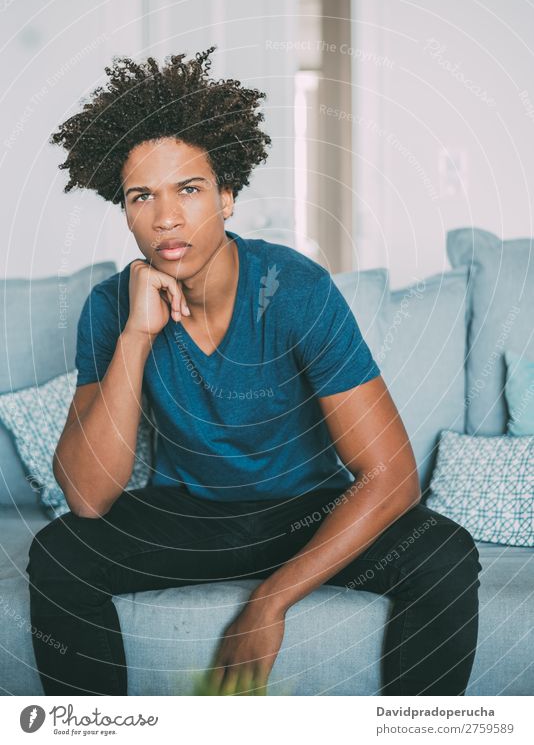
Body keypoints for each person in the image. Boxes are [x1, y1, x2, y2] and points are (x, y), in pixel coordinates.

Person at [26, 47, 481, 697]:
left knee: (444, 554)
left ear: (228, 196)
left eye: (189, 189)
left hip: (306, 510)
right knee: (58, 556)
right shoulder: (110, 308)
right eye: (141, 197)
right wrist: (135, 335)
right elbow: (88, 496)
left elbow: (391, 476)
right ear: (123, 210)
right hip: (192, 516)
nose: (167, 217)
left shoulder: (295, 290)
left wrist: (270, 602)